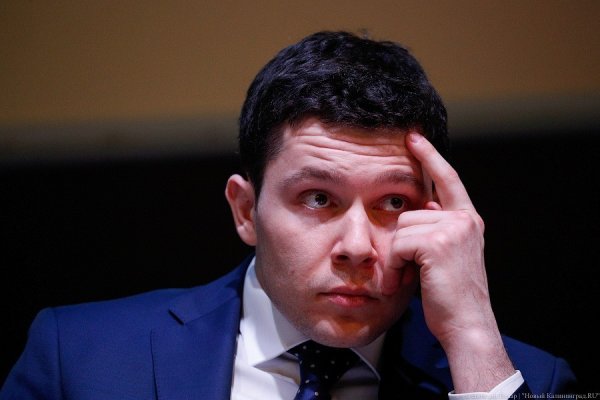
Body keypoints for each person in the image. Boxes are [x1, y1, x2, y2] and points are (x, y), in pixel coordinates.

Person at [0, 30, 577, 399]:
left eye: (394, 202)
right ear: (245, 210)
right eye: (318, 198)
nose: (358, 246)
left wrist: (473, 339)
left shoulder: (525, 381)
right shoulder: (80, 358)